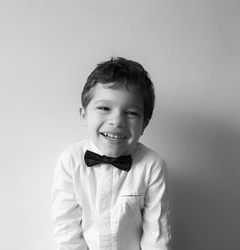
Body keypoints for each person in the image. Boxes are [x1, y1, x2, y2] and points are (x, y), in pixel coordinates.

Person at [51, 57, 172, 250]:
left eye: (131, 112)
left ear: (144, 124)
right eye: (104, 108)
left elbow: (157, 235)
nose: (117, 121)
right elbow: (67, 230)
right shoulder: (70, 161)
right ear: (84, 114)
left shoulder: (152, 165)